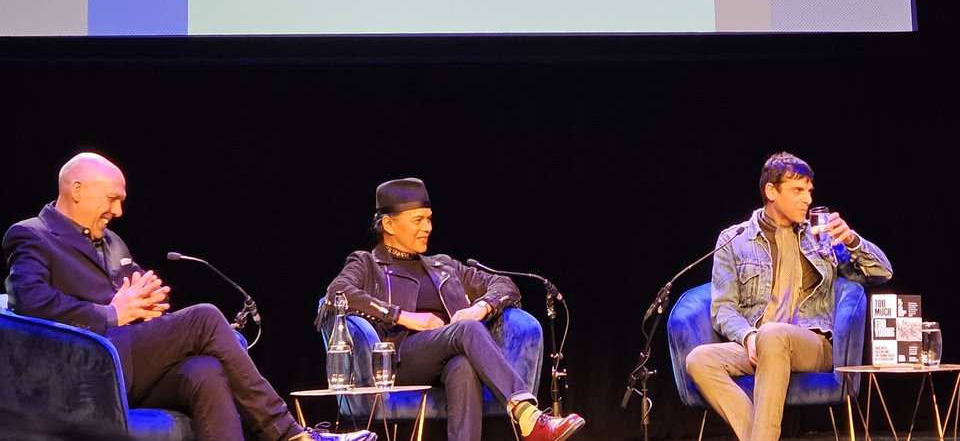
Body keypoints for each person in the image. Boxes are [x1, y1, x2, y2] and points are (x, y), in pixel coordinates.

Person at [3, 153, 374, 441]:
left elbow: (136, 297)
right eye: (112, 199)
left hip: (131, 361)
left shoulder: (112, 241)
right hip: (84, 370)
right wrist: (112, 313)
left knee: (206, 371)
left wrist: (147, 303)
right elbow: (29, 303)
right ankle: (287, 431)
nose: (118, 211)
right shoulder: (31, 235)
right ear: (77, 190)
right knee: (206, 317)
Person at [321, 178, 585, 441]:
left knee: (463, 366)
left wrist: (481, 307)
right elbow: (337, 293)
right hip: (397, 360)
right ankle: (527, 414)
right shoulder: (368, 264)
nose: (427, 227)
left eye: (429, 219)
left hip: (450, 355)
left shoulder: (444, 267)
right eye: (418, 220)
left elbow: (505, 285)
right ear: (389, 224)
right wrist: (403, 316)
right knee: (466, 330)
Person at [685, 152, 892, 441]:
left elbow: (882, 272)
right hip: (759, 344)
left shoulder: (821, 236)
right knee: (698, 359)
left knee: (772, 333)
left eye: (809, 191)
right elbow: (723, 309)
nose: (807, 199)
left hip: (812, 343)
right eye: (797, 190)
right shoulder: (734, 239)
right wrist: (748, 336)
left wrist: (851, 239)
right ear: (772, 191)